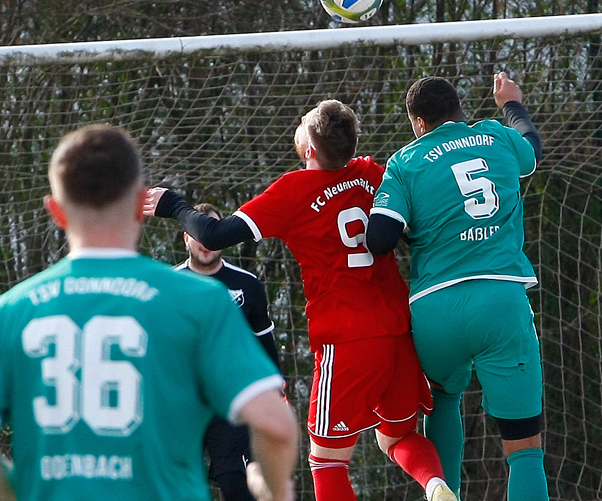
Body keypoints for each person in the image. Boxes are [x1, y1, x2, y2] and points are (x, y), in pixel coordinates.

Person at [144, 100, 457, 501]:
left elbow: (214, 235)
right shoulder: (370, 174)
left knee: (326, 462)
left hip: (346, 338)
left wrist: (174, 205)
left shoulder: (293, 191)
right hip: (398, 331)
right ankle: (434, 484)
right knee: (398, 438)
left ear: (309, 148)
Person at [0, 124, 298, 501]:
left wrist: (17, 489)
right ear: (142, 204)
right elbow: (277, 426)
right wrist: (273, 489)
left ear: (56, 211)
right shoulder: (200, 300)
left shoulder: (12, 311)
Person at [366, 73, 549, 501]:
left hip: (435, 310)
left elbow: (379, 239)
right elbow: (533, 151)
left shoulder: (404, 161)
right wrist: (512, 105)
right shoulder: (495, 136)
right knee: (524, 452)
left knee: (444, 399)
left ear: (417, 121)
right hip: (499, 302)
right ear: (459, 110)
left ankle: (444, 491)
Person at [176, 202, 282, 501]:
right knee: (180, 485)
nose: (206, 243)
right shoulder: (168, 285)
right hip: (182, 403)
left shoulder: (246, 284)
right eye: (199, 235)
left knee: (237, 484)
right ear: (186, 238)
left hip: (231, 403)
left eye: (213, 235)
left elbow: (264, 340)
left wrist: (275, 389)